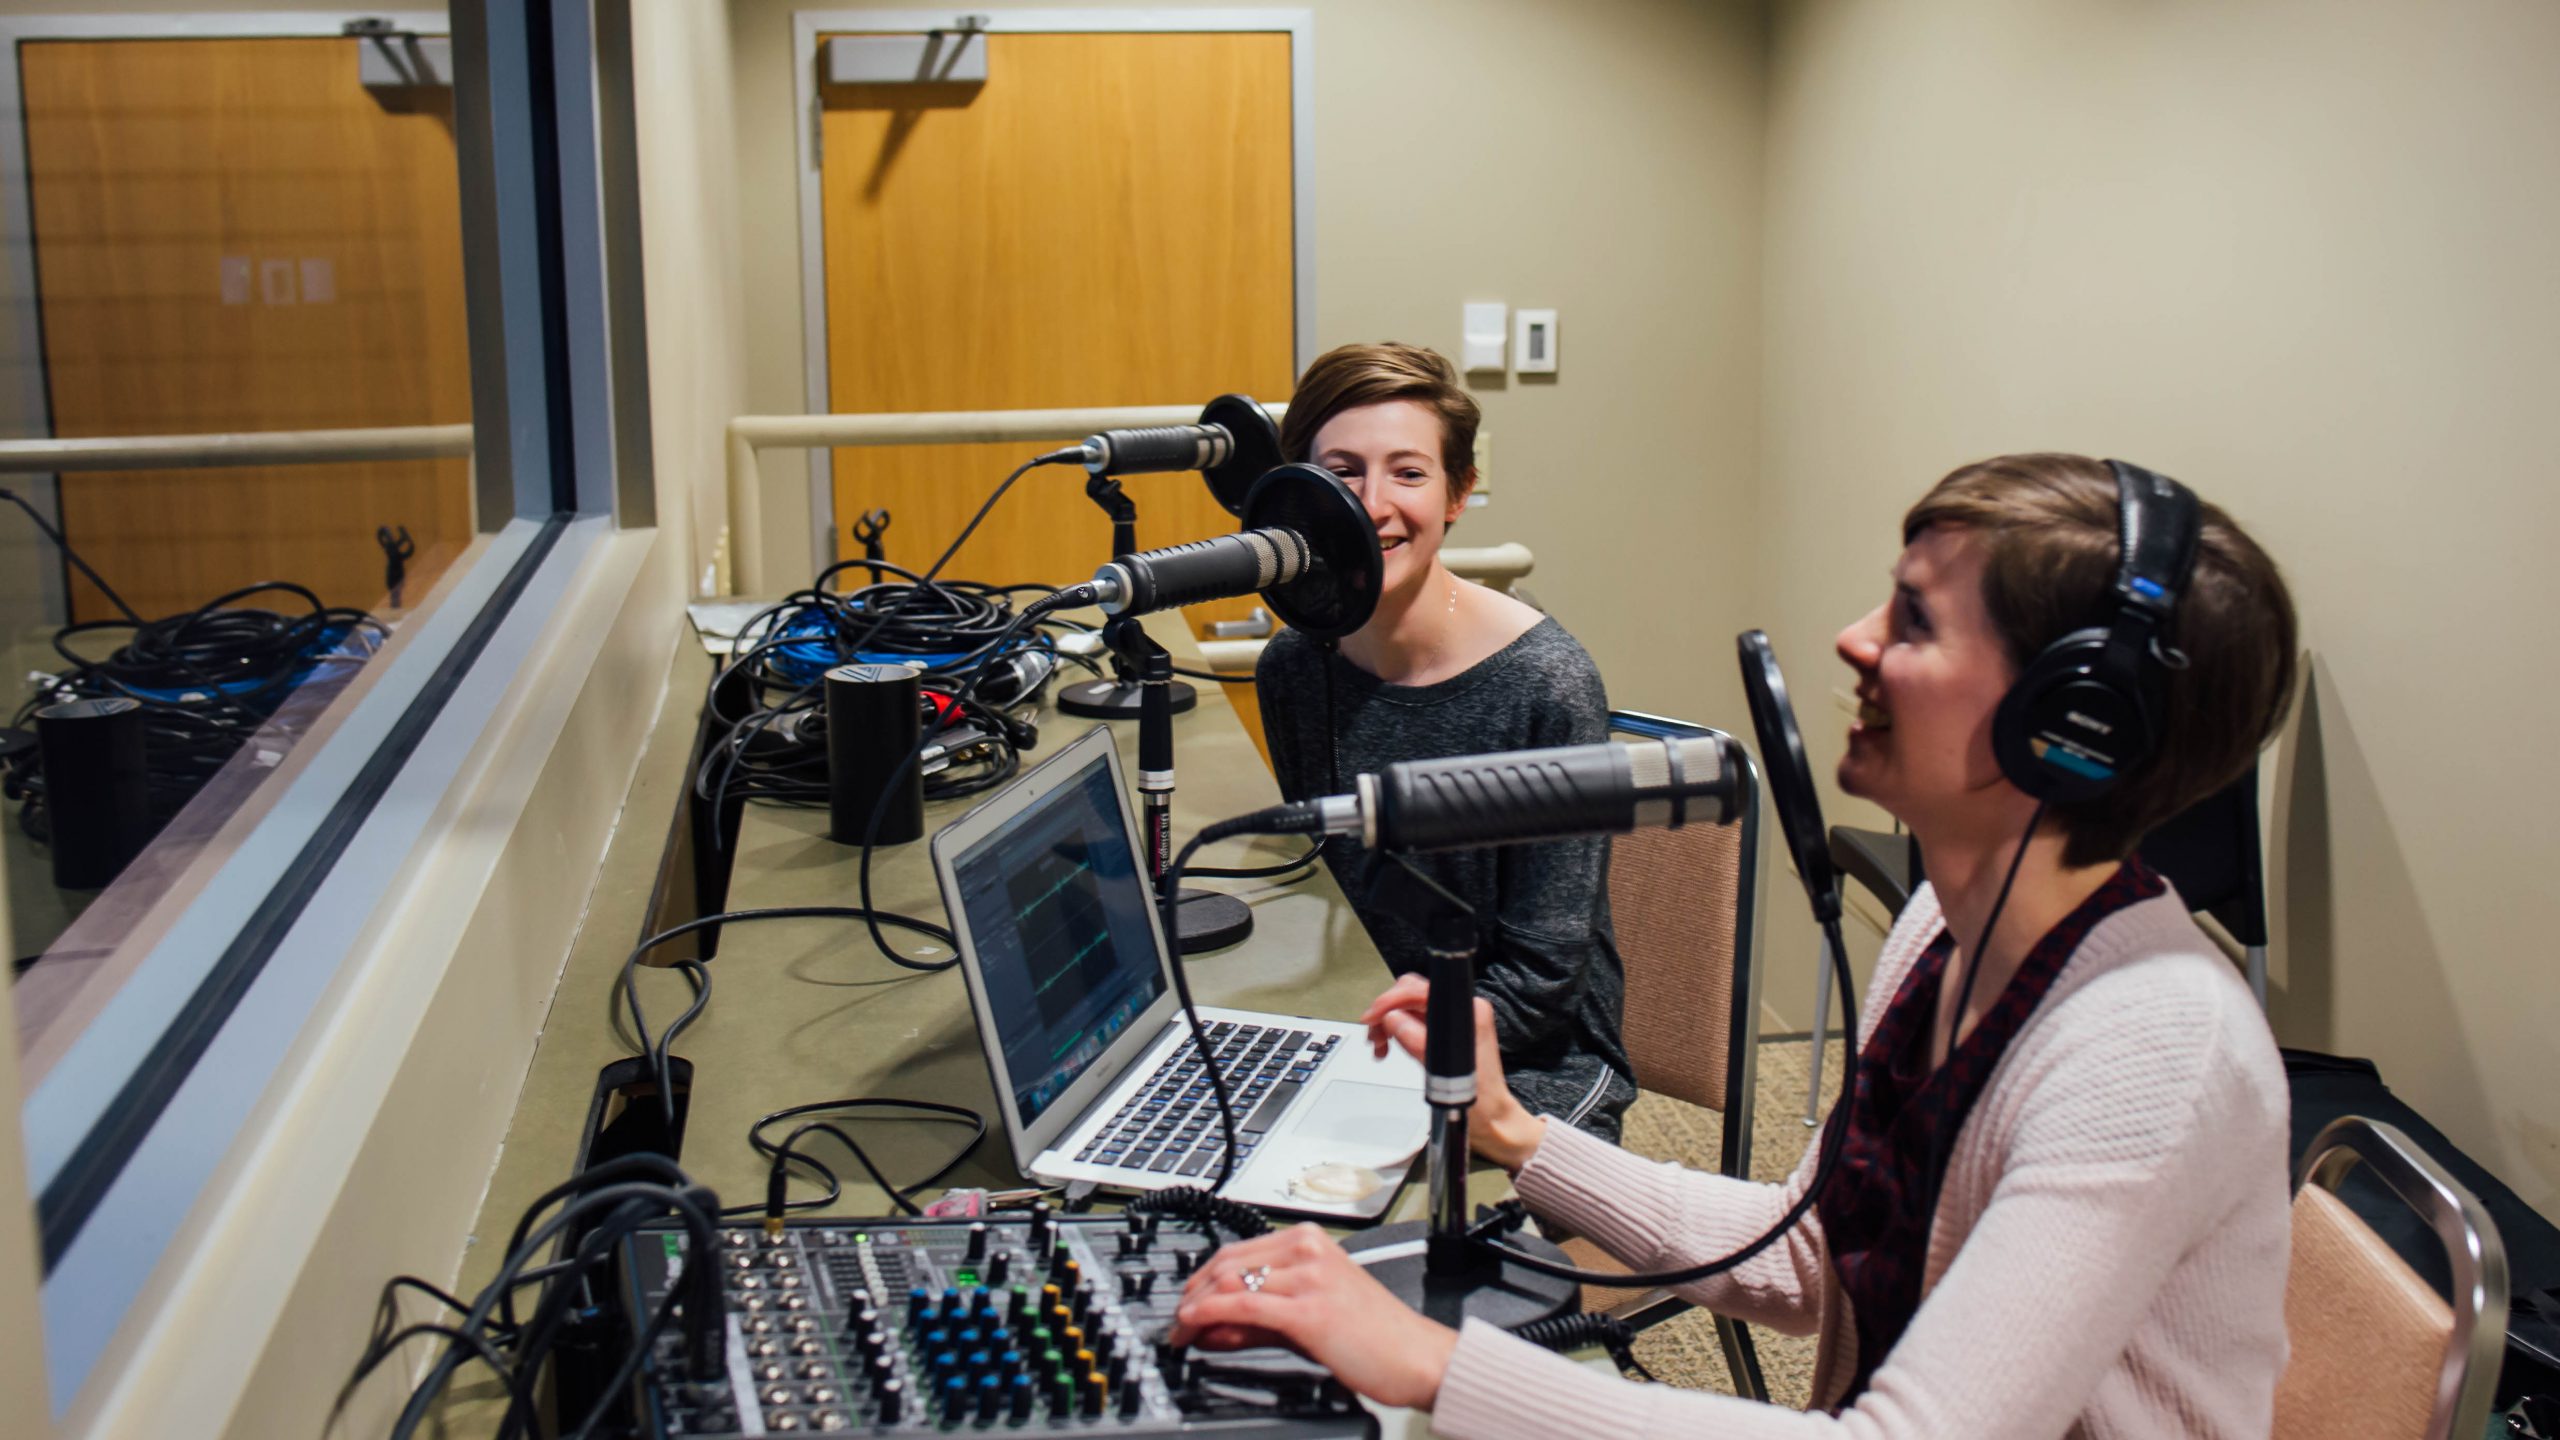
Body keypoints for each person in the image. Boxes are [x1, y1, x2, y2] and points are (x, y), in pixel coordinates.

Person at [1178, 453, 2301, 1437]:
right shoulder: (1943, 932)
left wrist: (1433, 1362)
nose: (1853, 638)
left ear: (2070, 726)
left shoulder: (2149, 1051)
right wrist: (1513, 1130)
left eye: (1912, 621)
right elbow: (1805, 1252)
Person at [1255, 341, 1636, 1141]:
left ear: (1459, 492)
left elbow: (1542, 980)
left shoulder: (1546, 686)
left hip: (1525, 1070)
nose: (1372, 503)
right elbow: (1329, 890)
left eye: (1408, 472)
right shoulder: (1294, 666)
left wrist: (1375, 1059)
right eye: (1343, 472)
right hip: (1360, 1033)